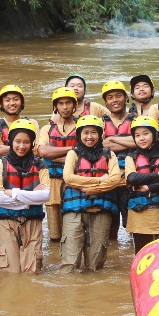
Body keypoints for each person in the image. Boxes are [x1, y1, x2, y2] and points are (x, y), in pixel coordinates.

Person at [60, 116, 121, 272]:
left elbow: (115, 180)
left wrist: (88, 188)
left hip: (100, 210)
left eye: (94, 132)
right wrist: (100, 180)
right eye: (85, 132)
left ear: (100, 135)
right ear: (79, 134)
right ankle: (70, 292)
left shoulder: (109, 155)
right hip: (74, 210)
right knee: (70, 262)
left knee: (96, 263)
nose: (89, 136)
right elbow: (68, 177)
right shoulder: (72, 154)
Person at [0, 119, 50, 275]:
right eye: (17, 141)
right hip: (6, 222)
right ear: (10, 141)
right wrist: (30, 199)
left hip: (32, 222)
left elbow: (45, 195)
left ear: (32, 144)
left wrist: (15, 193)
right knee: (10, 272)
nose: (21, 146)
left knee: (32, 272)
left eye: (26, 142)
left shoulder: (40, 165)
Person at [124, 116, 159, 251]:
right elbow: (132, 178)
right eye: (137, 135)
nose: (141, 138)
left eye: (146, 134)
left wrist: (149, 187)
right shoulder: (130, 157)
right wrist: (158, 175)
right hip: (139, 214)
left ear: (155, 135)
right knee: (142, 253)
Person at [37, 87, 79, 244]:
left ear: (74, 105)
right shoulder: (47, 129)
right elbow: (43, 151)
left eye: (68, 103)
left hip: (74, 180)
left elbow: (84, 156)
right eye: (61, 103)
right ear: (56, 106)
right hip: (52, 181)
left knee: (74, 228)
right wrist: (73, 150)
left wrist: (55, 155)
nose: (65, 107)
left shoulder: (82, 127)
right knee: (54, 234)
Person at [100, 80, 136, 237]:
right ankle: (114, 258)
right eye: (110, 97)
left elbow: (140, 143)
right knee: (110, 224)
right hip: (109, 178)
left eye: (118, 96)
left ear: (126, 98)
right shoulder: (101, 122)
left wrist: (113, 140)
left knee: (132, 222)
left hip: (129, 179)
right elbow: (99, 146)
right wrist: (128, 141)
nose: (114, 100)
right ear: (106, 102)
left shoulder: (136, 119)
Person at [0, 85, 28, 161]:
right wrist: (25, 147)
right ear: (2, 104)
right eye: (7, 100)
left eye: (16, 99)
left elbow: (36, 151)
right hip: (3, 168)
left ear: (22, 102)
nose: (12, 103)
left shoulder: (31, 123)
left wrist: (2, 146)